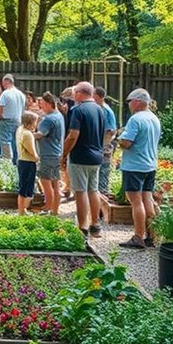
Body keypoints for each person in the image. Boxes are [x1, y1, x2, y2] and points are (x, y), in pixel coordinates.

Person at [117, 88, 161, 249]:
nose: (129, 105)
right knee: (147, 198)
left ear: (136, 101)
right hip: (150, 165)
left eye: (129, 102)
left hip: (135, 165)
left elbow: (127, 143)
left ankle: (138, 237)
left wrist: (119, 138)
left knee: (135, 201)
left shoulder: (135, 119)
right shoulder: (154, 118)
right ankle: (152, 236)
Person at [62, 82, 106, 238]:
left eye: (75, 92)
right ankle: (96, 225)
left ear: (80, 93)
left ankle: (82, 228)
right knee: (93, 190)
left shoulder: (78, 110)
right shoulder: (100, 110)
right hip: (96, 157)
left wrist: (64, 153)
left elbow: (73, 135)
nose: (74, 95)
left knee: (80, 192)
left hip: (80, 156)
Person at [35, 92, 65, 216]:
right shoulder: (59, 116)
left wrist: (25, 134)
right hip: (57, 153)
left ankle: (47, 208)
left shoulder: (48, 119)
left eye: (42, 105)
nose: (41, 107)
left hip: (48, 155)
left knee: (46, 182)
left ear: (48, 104)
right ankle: (54, 211)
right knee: (56, 184)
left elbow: (40, 134)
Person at [95, 87, 118, 196]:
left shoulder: (104, 110)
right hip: (102, 144)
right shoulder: (102, 108)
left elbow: (111, 131)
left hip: (104, 145)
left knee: (103, 171)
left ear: (99, 97)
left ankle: (102, 198)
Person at [16, 111, 40, 215]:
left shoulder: (20, 129)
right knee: (25, 188)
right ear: (30, 122)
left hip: (21, 160)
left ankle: (23, 210)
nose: (36, 124)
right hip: (28, 162)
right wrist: (37, 158)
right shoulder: (28, 134)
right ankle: (22, 210)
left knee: (23, 185)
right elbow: (32, 151)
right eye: (35, 122)